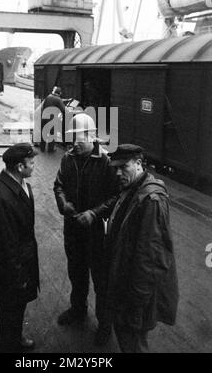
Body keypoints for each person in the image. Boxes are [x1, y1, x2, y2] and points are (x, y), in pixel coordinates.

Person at [103, 144, 179, 353]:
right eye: (115, 168)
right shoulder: (132, 188)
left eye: (123, 167)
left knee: (133, 343)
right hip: (125, 285)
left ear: (138, 164)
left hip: (135, 295)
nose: (118, 173)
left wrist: (136, 304)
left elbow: (151, 258)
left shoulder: (151, 200)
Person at [53, 112, 118, 343]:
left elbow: (115, 197)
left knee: (101, 279)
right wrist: (64, 204)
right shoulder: (68, 159)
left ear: (92, 136)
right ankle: (78, 309)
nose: (74, 144)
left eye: (78, 138)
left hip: (97, 231)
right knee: (76, 272)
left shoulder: (107, 162)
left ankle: (104, 323)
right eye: (72, 139)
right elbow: (58, 185)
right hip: (73, 228)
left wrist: (94, 213)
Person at [0, 143, 39, 353]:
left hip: (23, 260)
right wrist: (19, 276)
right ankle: (7, 346)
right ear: (19, 166)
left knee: (18, 307)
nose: (34, 166)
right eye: (31, 163)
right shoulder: (1, 197)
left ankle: (16, 338)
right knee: (10, 311)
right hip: (11, 268)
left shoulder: (20, 184)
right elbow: (5, 244)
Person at [40, 86, 66, 152]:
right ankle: (50, 149)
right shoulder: (58, 99)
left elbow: (43, 106)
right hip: (52, 119)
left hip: (44, 117)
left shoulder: (48, 96)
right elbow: (63, 109)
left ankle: (42, 148)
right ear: (59, 93)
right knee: (52, 133)